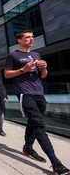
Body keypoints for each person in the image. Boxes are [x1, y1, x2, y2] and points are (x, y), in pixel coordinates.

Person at [4, 29, 69, 174]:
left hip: (40, 94)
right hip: (25, 95)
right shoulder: (13, 55)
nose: (31, 39)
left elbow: (43, 76)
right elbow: (7, 74)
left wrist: (45, 68)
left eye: (32, 37)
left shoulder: (36, 55)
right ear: (19, 40)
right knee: (39, 125)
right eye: (27, 37)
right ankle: (55, 163)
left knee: (33, 123)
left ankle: (28, 147)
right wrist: (23, 69)